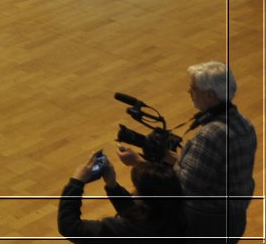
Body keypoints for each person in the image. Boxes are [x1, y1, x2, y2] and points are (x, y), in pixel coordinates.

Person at [116, 61, 256, 243]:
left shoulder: (211, 135)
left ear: (210, 96)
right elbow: (209, 171)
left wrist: (138, 164)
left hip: (207, 224)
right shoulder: (244, 124)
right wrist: (170, 158)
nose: (189, 93)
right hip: (234, 219)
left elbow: (181, 188)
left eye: (194, 89)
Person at [58, 152, 186, 243]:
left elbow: (69, 227)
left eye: (137, 188)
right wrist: (112, 186)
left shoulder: (124, 229)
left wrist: (76, 182)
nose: (134, 191)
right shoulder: (176, 212)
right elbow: (136, 213)